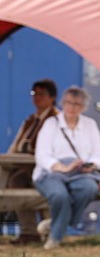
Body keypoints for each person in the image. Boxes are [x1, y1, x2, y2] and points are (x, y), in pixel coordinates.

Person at [32, 86, 100, 251]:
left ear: (83, 107)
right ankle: (55, 239)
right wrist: (62, 167)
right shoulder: (51, 124)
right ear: (63, 103)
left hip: (80, 173)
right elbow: (42, 155)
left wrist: (90, 165)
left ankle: (55, 225)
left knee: (89, 189)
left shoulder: (90, 125)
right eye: (69, 103)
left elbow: (97, 154)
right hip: (51, 172)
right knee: (59, 195)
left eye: (77, 104)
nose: (72, 107)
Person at [4, 79, 60, 245]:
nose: (36, 98)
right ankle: (28, 231)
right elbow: (15, 146)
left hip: (47, 170)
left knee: (38, 188)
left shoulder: (56, 121)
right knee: (16, 181)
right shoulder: (30, 120)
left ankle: (51, 232)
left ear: (52, 97)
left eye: (41, 94)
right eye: (34, 94)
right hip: (23, 168)